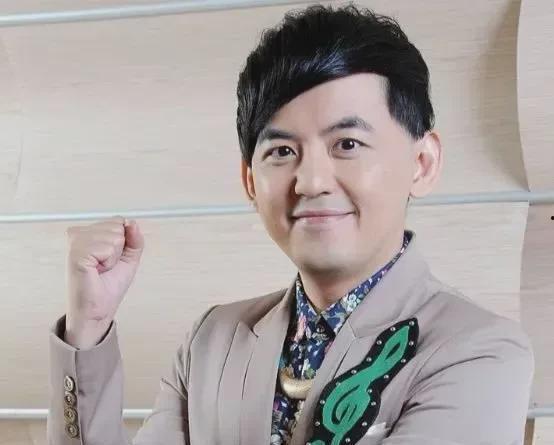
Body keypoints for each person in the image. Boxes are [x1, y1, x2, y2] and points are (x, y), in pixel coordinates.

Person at [47, 4, 534, 445]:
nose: (311, 181)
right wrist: (89, 325)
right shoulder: (212, 341)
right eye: (282, 151)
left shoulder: (478, 351)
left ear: (422, 163)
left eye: (347, 144)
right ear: (250, 180)